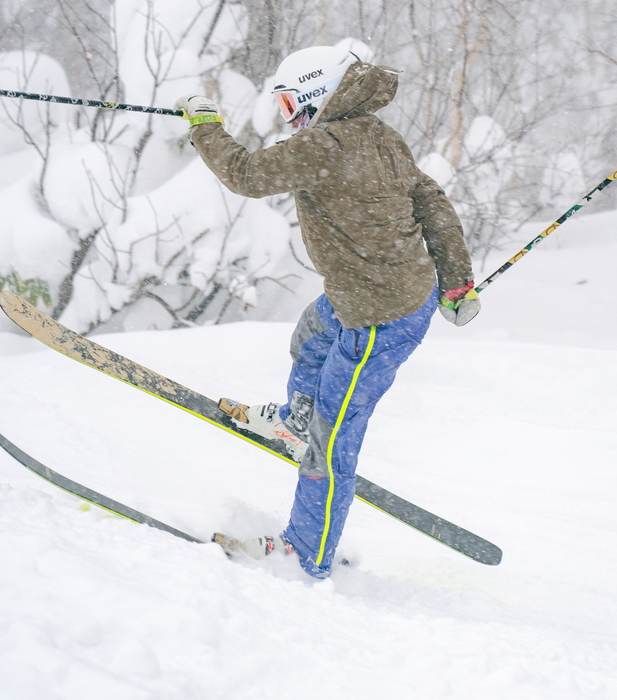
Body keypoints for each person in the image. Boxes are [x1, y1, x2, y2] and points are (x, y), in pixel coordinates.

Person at [175, 46, 481, 579]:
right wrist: (455, 280)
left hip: (380, 318)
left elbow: (246, 174)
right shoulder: (377, 134)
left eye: (293, 104)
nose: (289, 118)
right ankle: (297, 421)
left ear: (320, 96)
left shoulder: (326, 144)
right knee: (310, 337)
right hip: (365, 296)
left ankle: (307, 553)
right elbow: (430, 199)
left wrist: (205, 125)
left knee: (333, 441)